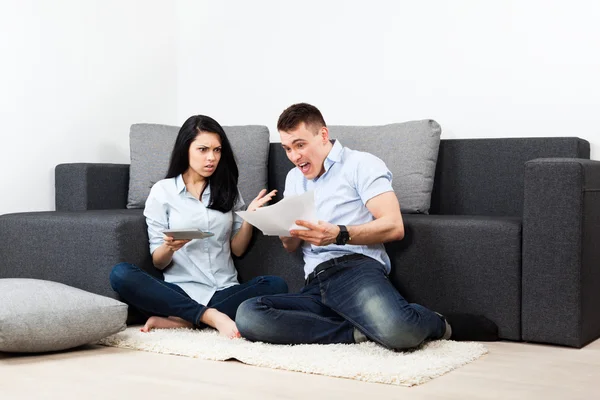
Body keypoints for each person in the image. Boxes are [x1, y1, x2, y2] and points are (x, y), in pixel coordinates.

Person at [235, 103, 498, 350]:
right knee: (249, 315)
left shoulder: (361, 164)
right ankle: (358, 332)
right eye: (287, 148)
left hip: (356, 270)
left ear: (323, 135)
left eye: (299, 145)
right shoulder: (294, 178)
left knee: (400, 332)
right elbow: (291, 245)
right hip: (315, 281)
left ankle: (440, 323)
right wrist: (277, 224)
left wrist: (338, 234)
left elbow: (394, 226)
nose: (294, 156)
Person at [110, 115, 288, 338]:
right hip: (180, 291)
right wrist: (170, 247)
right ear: (186, 149)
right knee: (121, 274)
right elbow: (159, 261)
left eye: (217, 150)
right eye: (203, 150)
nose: (211, 158)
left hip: (224, 290)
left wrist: (249, 217)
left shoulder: (228, 190)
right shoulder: (163, 191)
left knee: (275, 285)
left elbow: (238, 250)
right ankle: (209, 317)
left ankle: (187, 319)